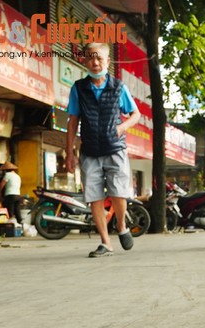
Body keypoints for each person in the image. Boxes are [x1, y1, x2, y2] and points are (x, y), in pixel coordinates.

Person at [66, 42, 142, 258]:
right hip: (89, 150)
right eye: (90, 57)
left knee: (119, 192)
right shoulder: (78, 88)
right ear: (84, 60)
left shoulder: (119, 87)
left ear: (108, 61)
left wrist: (122, 127)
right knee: (94, 197)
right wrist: (69, 153)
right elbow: (72, 122)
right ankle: (105, 243)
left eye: (99, 58)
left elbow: (135, 114)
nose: (95, 62)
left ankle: (121, 225)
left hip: (115, 148)